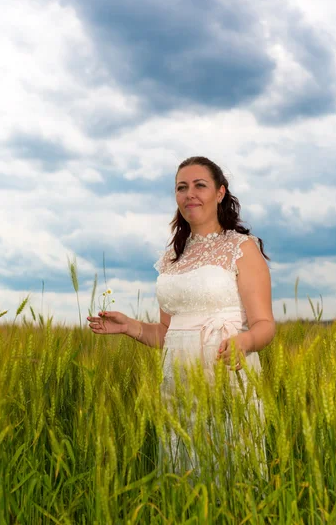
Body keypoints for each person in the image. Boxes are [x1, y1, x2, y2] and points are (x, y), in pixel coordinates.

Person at [87, 156, 275, 474]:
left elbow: (265, 325)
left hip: (226, 374)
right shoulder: (172, 258)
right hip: (179, 382)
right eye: (181, 187)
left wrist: (245, 341)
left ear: (220, 192)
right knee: (184, 476)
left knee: (230, 474)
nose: (190, 194)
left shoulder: (242, 248)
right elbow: (167, 334)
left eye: (199, 185)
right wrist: (130, 327)